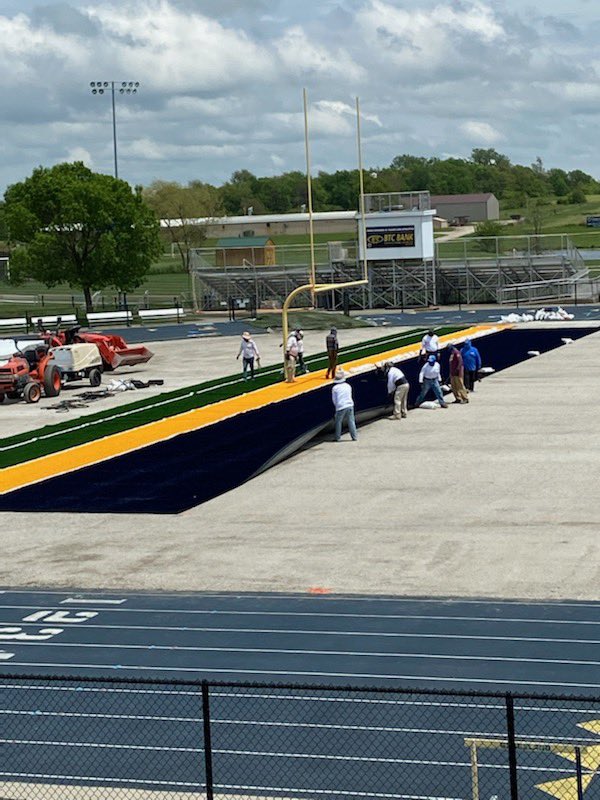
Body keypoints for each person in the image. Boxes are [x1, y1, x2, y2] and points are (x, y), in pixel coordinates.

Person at [332, 368, 358, 441]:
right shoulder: (348, 386)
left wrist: (336, 407)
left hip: (340, 406)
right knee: (351, 421)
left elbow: (334, 399)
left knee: (338, 422)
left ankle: (337, 437)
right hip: (349, 404)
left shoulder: (335, 388)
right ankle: (354, 436)